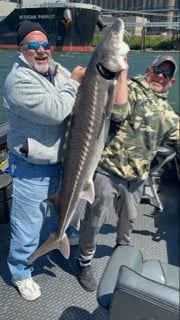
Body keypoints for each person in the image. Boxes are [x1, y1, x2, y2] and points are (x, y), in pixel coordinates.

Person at [76, 54, 180, 292]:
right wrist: (122, 73)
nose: (160, 77)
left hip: (137, 178)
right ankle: (84, 260)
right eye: (157, 70)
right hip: (107, 171)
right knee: (95, 219)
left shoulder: (169, 115)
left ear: (171, 82)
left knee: (128, 221)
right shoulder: (129, 87)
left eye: (166, 75)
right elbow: (119, 112)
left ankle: (121, 252)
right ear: (148, 70)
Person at [3, 20, 85, 301]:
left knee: (64, 211)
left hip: (63, 161)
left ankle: (60, 238)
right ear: (21, 49)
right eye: (33, 46)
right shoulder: (18, 81)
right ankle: (20, 272)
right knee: (27, 225)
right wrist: (74, 83)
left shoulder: (57, 69)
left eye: (45, 45)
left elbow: (78, 96)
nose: (41, 51)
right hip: (32, 166)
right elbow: (56, 110)